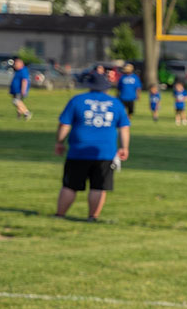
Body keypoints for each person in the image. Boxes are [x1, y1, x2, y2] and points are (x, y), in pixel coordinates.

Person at [54, 71, 130, 221]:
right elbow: (124, 128)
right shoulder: (115, 103)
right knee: (98, 186)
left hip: (78, 151)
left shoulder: (77, 100)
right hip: (105, 152)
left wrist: (60, 142)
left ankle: (60, 215)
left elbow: (64, 124)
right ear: (106, 87)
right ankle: (92, 217)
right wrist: (124, 147)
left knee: (70, 186)